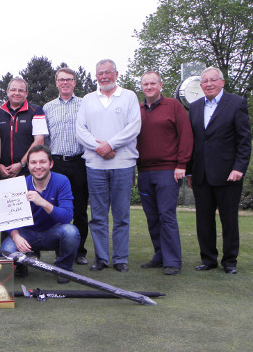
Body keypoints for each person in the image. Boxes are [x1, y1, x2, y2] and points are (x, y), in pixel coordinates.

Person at [76, 59, 141, 272]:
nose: (104, 76)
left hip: (123, 164)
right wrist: (100, 148)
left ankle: (120, 259)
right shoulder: (88, 99)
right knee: (98, 215)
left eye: (108, 72)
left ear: (116, 73)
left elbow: (134, 126)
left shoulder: (129, 96)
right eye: (100, 73)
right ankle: (102, 259)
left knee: (121, 215)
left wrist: (111, 144)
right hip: (95, 165)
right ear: (96, 76)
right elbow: (81, 129)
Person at [187, 67, 251, 274]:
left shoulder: (236, 103)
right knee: (203, 221)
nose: (208, 84)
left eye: (213, 80)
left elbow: (244, 141)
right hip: (201, 175)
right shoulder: (195, 107)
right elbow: (192, 142)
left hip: (228, 174)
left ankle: (230, 261)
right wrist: (189, 171)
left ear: (222, 82)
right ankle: (208, 259)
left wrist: (239, 168)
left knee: (229, 220)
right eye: (204, 81)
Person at [136, 71, 193, 276]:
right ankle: (159, 255)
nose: (149, 87)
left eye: (153, 83)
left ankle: (173, 260)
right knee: (152, 217)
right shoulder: (138, 109)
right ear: (141, 87)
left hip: (168, 170)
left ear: (160, 85)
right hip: (144, 172)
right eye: (145, 84)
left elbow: (186, 136)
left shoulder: (174, 106)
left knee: (166, 215)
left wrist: (182, 164)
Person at [0, 145, 79, 284]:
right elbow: (8, 218)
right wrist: (16, 236)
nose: (38, 166)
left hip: (52, 233)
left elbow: (67, 216)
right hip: (27, 234)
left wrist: (43, 202)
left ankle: (63, 269)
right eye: (33, 162)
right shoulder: (21, 184)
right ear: (28, 165)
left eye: (42, 162)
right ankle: (21, 264)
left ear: (51, 163)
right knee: (6, 251)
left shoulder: (62, 181)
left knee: (71, 232)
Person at [43, 67, 89, 265]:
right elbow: (45, 138)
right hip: (56, 163)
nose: (65, 83)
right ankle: (60, 250)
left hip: (78, 161)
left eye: (69, 79)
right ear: (56, 83)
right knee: (57, 209)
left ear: (74, 82)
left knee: (79, 209)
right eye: (61, 80)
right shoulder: (48, 107)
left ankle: (79, 251)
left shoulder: (85, 104)